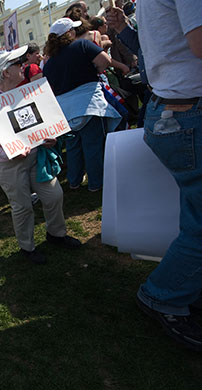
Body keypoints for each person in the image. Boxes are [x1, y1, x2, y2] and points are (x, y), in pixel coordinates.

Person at [134, 0, 202, 351]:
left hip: (174, 107)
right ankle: (163, 293)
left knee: (195, 215)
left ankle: (185, 286)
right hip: (187, 110)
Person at [0, 48, 81, 264]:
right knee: (22, 207)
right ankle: (27, 247)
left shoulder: (26, 93)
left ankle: (56, 234)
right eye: (17, 63)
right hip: (9, 166)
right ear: (6, 72)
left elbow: (38, 125)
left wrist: (50, 137)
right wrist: (9, 152)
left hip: (36, 157)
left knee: (54, 195)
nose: (23, 65)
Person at [42, 17, 121, 192]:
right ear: (69, 33)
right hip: (88, 104)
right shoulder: (82, 45)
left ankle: (74, 181)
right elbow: (104, 62)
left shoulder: (49, 63)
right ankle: (97, 183)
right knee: (93, 144)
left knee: (73, 146)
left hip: (65, 112)